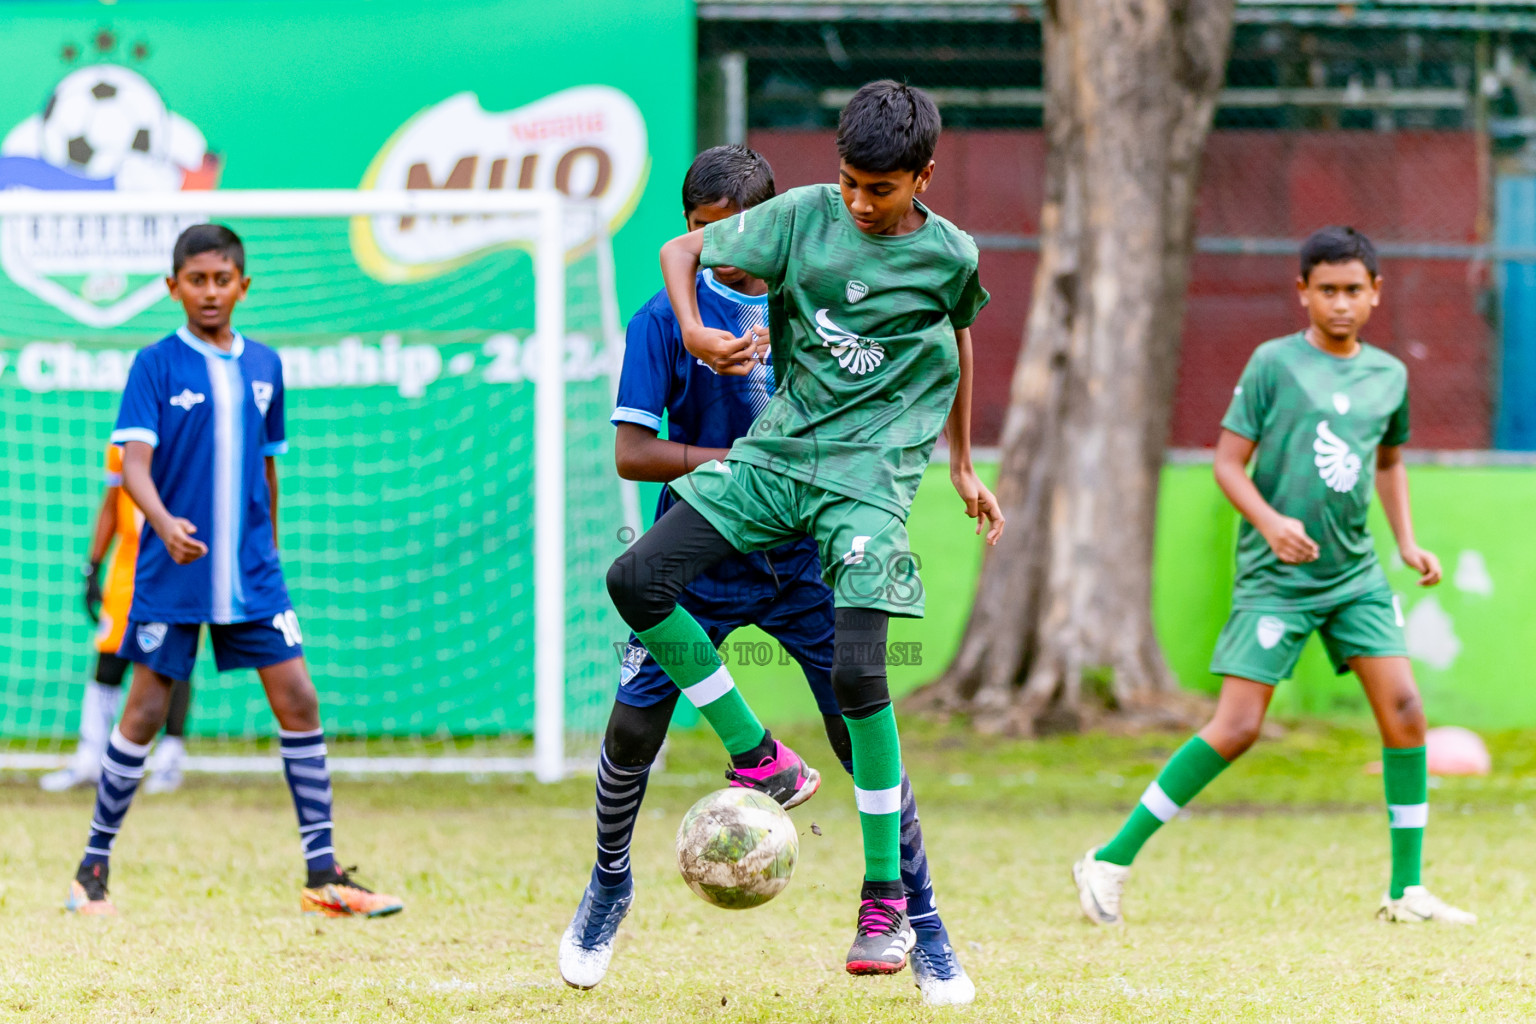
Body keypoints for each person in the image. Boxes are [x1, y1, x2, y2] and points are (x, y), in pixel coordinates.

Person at [604, 82, 1004, 977]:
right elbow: (681, 247)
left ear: (923, 178)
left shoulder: (951, 255)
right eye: (851, 182)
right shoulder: (801, 217)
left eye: (881, 189)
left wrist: (967, 463)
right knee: (636, 582)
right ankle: (758, 755)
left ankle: (888, 904)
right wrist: (703, 334)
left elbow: (961, 337)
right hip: (776, 460)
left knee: (862, 678)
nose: (860, 203)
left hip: (870, 480)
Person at [1072, 226, 1475, 927]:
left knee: (1407, 716)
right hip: (1277, 578)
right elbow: (1229, 463)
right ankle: (1108, 859)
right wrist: (1269, 522)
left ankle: (1407, 890)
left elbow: (1387, 463)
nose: (1341, 303)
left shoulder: (1388, 376)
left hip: (1354, 576)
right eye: (1327, 290)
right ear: (1304, 293)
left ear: (1376, 293)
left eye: (1354, 290)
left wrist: (1407, 544)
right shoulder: (1272, 365)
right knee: (1236, 727)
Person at [65, 224, 402, 920]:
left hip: (253, 575)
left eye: (223, 280)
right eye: (197, 280)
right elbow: (132, 465)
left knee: (299, 698)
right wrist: (161, 523)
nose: (210, 292)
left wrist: (268, 548)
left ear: (242, 286)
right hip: (173, 572)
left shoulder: (266, 366)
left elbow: (268, 465)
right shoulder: (155, 364)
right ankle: (91, 871)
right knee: (146, 710)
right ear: (173, 287)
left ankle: (324, 875)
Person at [43, 444, 193, 794]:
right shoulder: (122, 444)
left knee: (171, 660)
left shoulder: (187, 431)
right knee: (109, 658)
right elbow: (112, 504)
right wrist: (93, 566)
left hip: (174, 563)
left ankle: (169, 760)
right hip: (128, 568)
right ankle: (89, 758)